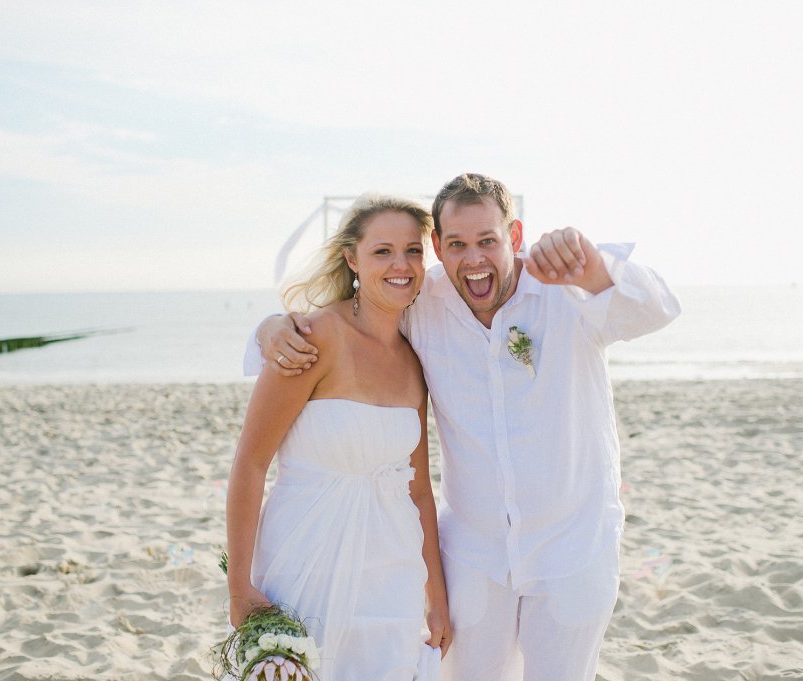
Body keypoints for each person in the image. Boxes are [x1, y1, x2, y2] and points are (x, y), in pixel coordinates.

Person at [251, 173, 681, 681]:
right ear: (437, 247)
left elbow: (657, 308)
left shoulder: (566, 294)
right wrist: (270, 327)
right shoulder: (422, 302)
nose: (473, 259)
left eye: (487, 241)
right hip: (475, 557)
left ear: (514, 237)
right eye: (456, 244)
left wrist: (594, 269)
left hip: (573, 549)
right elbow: (348, 328)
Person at [227, 193, 452, 681]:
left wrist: (436, 598)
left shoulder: (414, 362)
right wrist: (238, 587)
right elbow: (249, 464)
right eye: (383, 251)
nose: (402, 264)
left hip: (391, 571)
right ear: (352, 258)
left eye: (414, 251)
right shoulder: (312, 337)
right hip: (308, 556)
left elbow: (419, 489)